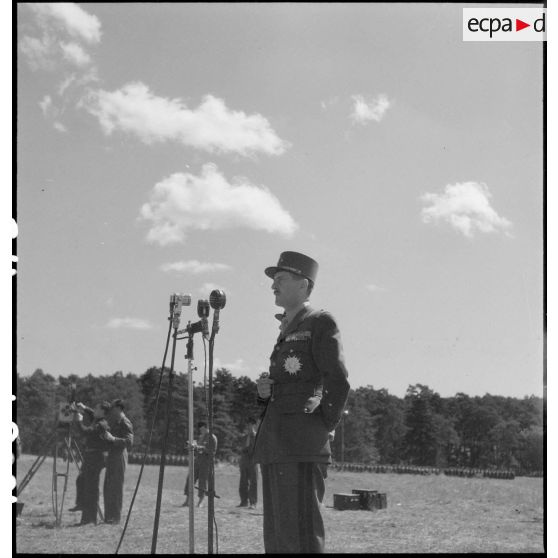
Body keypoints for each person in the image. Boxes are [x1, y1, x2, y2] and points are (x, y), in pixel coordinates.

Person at [253, 251, 350, 553]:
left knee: (303, 534)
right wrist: (265, 391)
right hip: (276, 443)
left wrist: (324, 425)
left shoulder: (319, 322)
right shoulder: (286, 328)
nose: (273, 286)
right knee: (279, 532)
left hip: (303, 443)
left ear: (303, 285)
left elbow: (337, 379)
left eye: (280, 279)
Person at [73, 401, 115, 525]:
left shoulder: (101, 424)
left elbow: (86, 431)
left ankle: (89, 519)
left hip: (96, 458)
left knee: (91, 488)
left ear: (102, 411)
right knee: (81, 480)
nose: (94, 410)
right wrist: (84, 407)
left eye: (97, 408)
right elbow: (92, 413)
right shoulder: (97, 419)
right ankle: (81, 505)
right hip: (91, 456)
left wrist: (79, 420)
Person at [103, 399, 134, 524]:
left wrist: (113, 438)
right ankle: (109, 516)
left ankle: (115, 517)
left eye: (114, 408)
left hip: (119, 456)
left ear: (119, 408)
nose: (112, 410)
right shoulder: (116, 422)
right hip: (112, 455)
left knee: (115, 487)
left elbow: (129, 442)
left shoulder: (125, 422)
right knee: (108, 486)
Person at [183, 421, 218, 508]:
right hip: (197, 461)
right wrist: (191, 446)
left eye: (202, 429)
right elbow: (197, 448)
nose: (200, 431)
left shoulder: (212, 438)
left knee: (202, 482)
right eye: (200, 429)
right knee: (190, 479)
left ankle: (200, 502)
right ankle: (187, 501)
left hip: (206, 463)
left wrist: (198, 447)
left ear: (206, 427)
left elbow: (211, 451)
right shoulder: (200, 437)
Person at [237, 417, 258, 509]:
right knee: (243, 482)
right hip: (244, 462)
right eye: (248, 424)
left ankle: (253, 503)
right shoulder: (244, 437)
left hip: (253, 461)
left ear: (254, 425)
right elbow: (241, 449)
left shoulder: (257, 436)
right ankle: (243, 501)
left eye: (250, 424)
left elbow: (256, 449)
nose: (249, 426)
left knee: (253, 482)